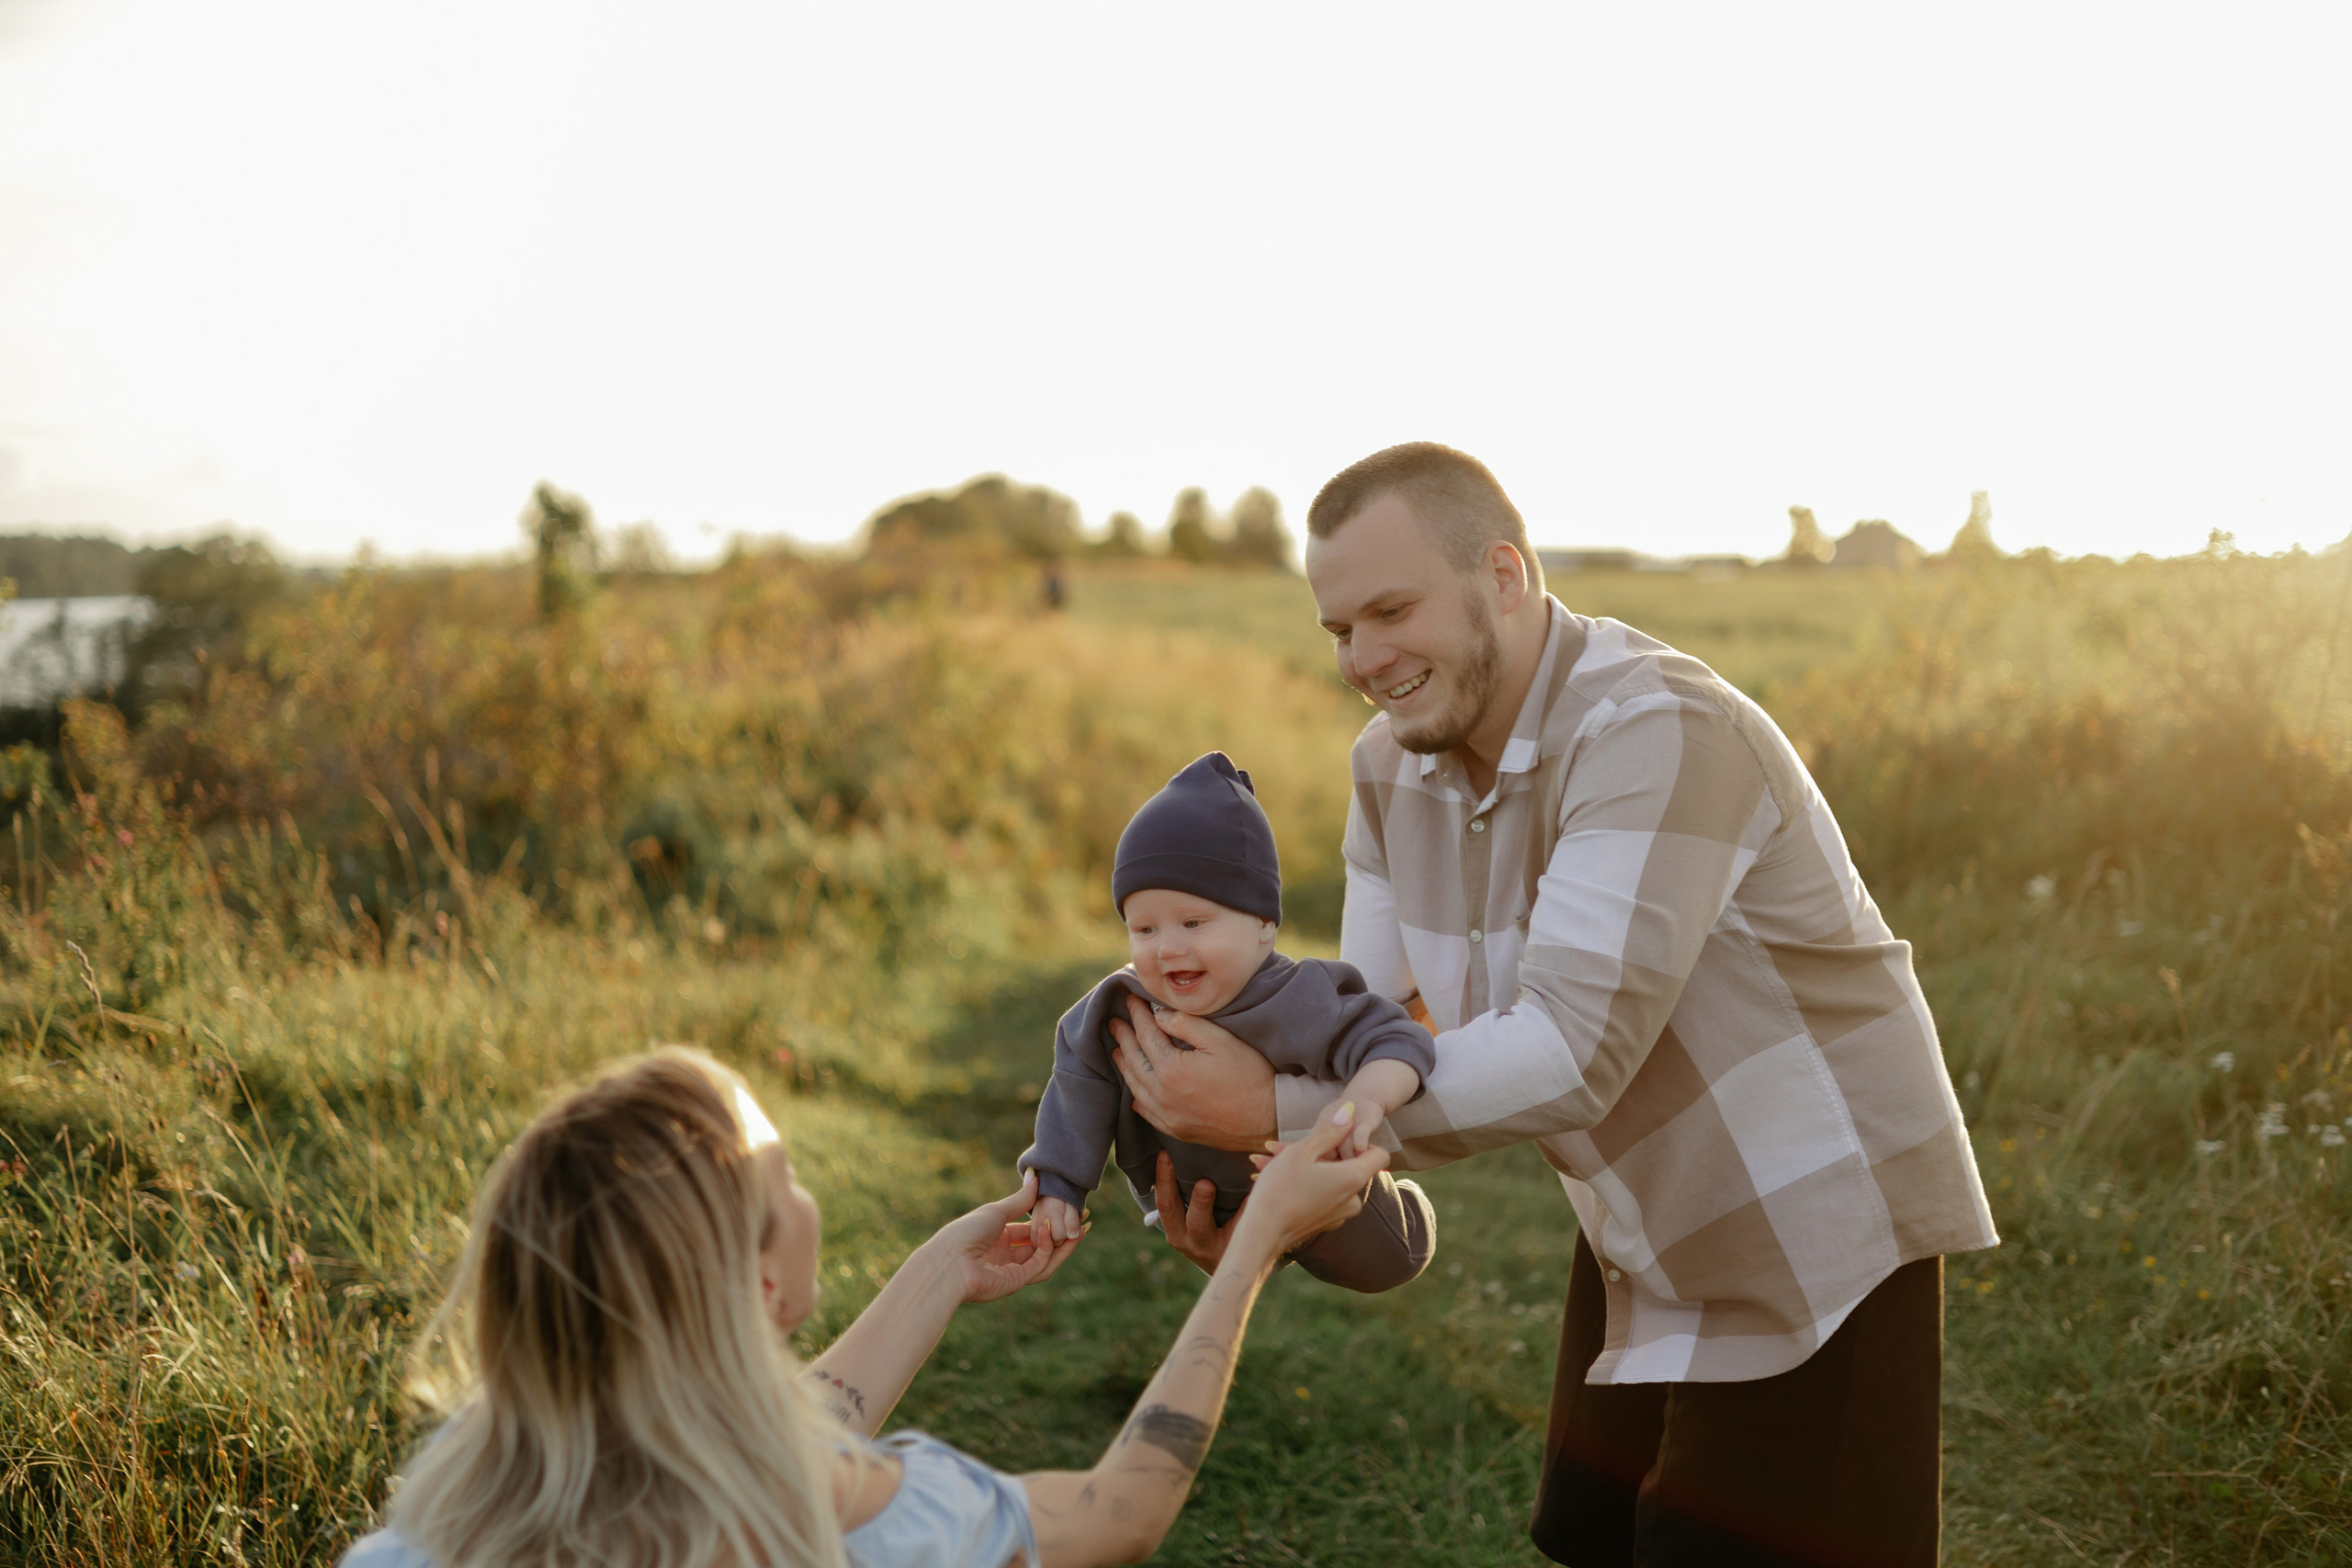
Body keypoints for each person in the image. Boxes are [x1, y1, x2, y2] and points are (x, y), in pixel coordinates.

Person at [1103, 443, 1998, 1567]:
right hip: (1633, 1212)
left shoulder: (1657, 731)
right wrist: (1275, 1202)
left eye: (1391, 610)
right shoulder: (1388, 771)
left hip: (1810, 1218)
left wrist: (1269, 1115)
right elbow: (1370, 1039)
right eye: (1339, 629)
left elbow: (1570, 1052)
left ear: (1506, 575)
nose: (1364, 659)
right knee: (1593, 1535)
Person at [338, 1045, 1386, 1568]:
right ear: (753, 1284)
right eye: (780, 1179)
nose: (804, 1197)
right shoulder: (878, 1522)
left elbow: (767, 1427)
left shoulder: (416, 1542)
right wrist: (1255, 1246)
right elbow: (1124, 1510)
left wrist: (941, 1272)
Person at [1019, 750, 1437, 1292]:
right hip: (1203, 1201)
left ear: (1264, 923)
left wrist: (1358, 1107)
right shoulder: (1122, 1002)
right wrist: (1059, 1184)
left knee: (1387, 1263)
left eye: (1194, 922)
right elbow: (1078, 1076)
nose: (1168, 948)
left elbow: (1396, 1040)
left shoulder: (1295, 995)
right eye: (1144, 930)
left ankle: (1412, 1210)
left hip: (1314, 1184)